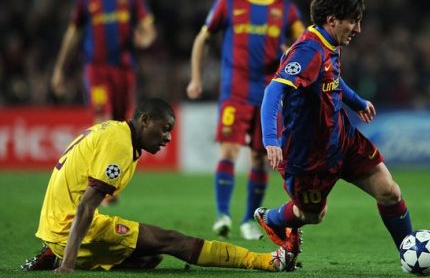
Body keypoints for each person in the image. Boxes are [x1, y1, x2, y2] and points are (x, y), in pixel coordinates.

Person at [255, 0, 430, 276]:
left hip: (342, 140)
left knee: (389, 191)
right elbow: (274, 91)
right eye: (354, 22)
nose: (358, 30)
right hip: (308, 157)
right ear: (332, 19)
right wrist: (271, 138)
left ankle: (409, 256)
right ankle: (272, 219)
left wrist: (356, 101)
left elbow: (332, 80)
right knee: (311, 215)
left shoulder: (330, 42)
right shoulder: (307, 51)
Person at [21, 98, 301, 273]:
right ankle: (268, 262)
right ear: (144, 120)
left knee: (149, 256)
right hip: (68, 227)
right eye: (164, 128)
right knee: (170, 241)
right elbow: (85, 207)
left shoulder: (114, 132)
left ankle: (57, 253)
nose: (168, 138)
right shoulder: (119, 144)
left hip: (54, 226)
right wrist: (68, 264)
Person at [186, 0, 305, 240]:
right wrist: (196, 78)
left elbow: (305, 46)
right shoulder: (228, 4)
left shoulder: (286, 10)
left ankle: (248, 220)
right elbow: (202, 38)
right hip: (234, 93)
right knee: (228, 150)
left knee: (261, 158)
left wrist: (291, 51)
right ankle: (222, 215)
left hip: (270, 96)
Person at [51, 0, 156, 123]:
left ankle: (120, 149)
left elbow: (149, 28)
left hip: (124, 70)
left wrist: (145, 39)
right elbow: (72, 35)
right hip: (96, 70)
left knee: (122, 123)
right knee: (102, 120)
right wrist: (59, 69)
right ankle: (102, 147)